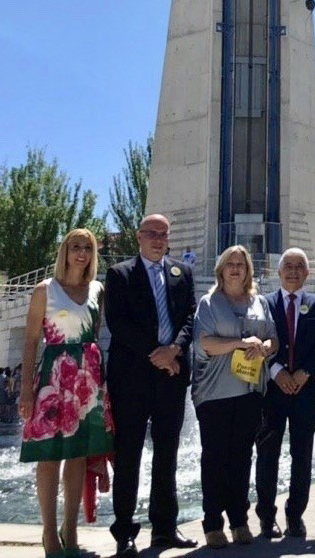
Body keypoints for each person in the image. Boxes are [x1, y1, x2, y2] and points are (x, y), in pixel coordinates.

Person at [104, 214, 197, 557]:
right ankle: (124, 531)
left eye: (163, 234)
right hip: (132, 377)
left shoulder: (181, 273)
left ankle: (164, 528)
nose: (158, 239)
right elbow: (118, 323)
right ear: (139, 238)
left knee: (168, 453)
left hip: (171, 376)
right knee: (128, 453)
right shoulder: (120, 274)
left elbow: (189, 316)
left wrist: (174, 350)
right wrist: (155, 353)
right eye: (151, 233)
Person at [19, 229, 115, 558]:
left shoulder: (97, 290)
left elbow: (95, 334)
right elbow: (31, 341)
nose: (81, 253)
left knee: (77, 455)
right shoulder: (45, 289)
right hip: (51, 377)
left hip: (87, 379)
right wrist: (26, 392)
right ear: (65, 251)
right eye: (75, 247)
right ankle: (48, 531)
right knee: (48, 457)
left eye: (87, 248)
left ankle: (70, 529)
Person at [191, 245, 277, 548]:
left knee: (242, 456)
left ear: (248, 270)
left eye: (241, 264)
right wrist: (241, 343)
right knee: (215, 458)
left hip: (249, 390)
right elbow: (205, 344)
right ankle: (213, 523)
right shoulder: (209, 303)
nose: (236, 269)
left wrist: (264, 347)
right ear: (221, 270)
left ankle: (239, 521)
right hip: (214, 392)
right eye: (230, 264)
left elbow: (273, 339)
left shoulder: (260, 302)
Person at [255, 248, 315, 539]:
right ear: (278, 271)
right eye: (288, 266)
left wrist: (304, 373)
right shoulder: (263, 304)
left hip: (306, 391)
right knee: (267, 455)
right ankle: (266, 518)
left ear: (307, 273)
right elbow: (258, 339)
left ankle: (295, 515)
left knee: (302, 455)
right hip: (271, 392)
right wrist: (276, 372)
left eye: (299, 266)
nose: (293, 271)